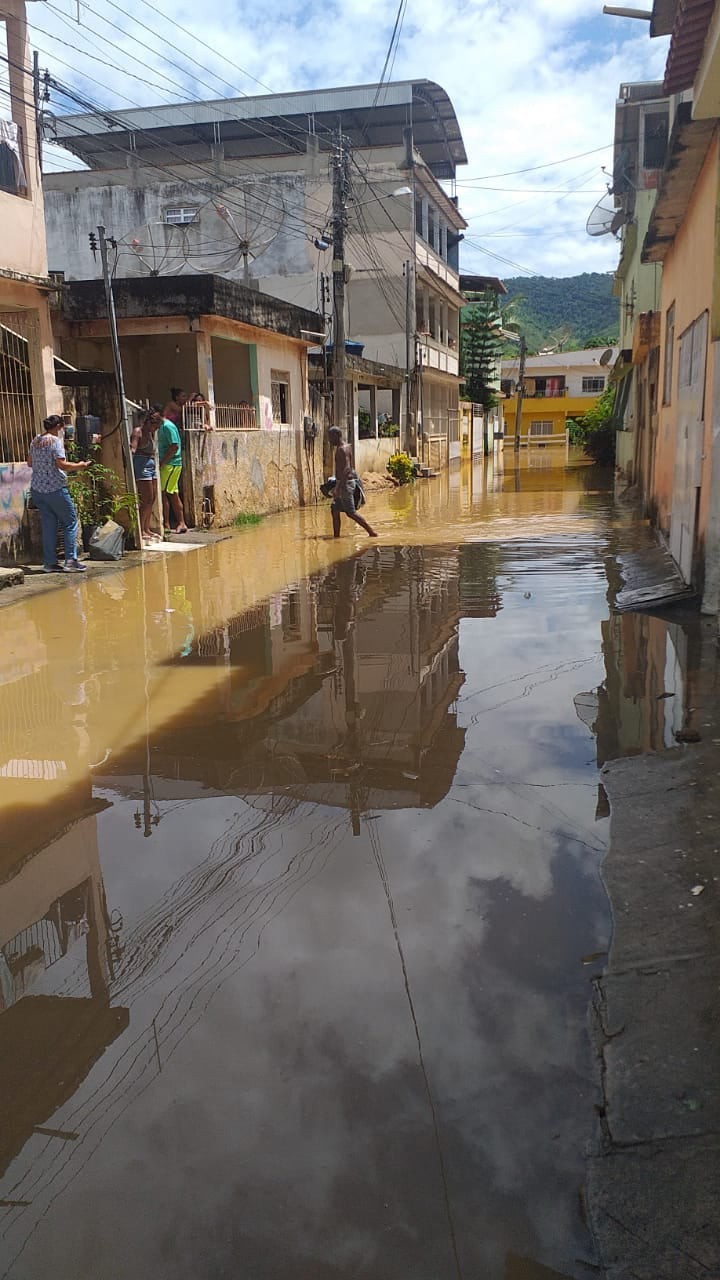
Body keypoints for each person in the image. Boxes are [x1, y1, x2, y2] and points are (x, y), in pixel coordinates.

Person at [27, 413, 91, 573]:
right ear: (58, 427)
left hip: (37, 490)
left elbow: (29, 463)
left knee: (49, 525)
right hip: (55, 489)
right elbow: (62, 465)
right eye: (62, 428)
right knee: (70, 522)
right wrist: (80, 465)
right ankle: (71, 561)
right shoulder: (55, 442)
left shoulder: (35, 440)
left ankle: (49, 563)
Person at [327, 426, 377, 538]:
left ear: (336, 435)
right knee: (334, 509)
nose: (329, 440)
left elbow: (347, 469)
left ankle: (372, 533)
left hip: (345, 485)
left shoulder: (341, 449)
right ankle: (336, 537)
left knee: (351, 512)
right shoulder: (347, 446)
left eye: (330, 437)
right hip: (345, 482)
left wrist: (338, 487)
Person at [156, 404, 189, 534]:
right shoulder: (160, 427)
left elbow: (174, 446)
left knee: (169, 493)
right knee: (167, 493)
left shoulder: (167, 427)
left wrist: (162, 462)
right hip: (168, 464)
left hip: (171, 464)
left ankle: (179, 522)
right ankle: (167, 524)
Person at [131, 408, 161, 541]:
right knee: (146, 498)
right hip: (142, 465)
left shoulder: (151, 434)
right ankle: (141, 528)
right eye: (155, 426)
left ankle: (147, 528)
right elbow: (133, 448)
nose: (155, 429)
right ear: (148, 423)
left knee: (153, 498)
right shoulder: (138, 432)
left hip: (151, 464)